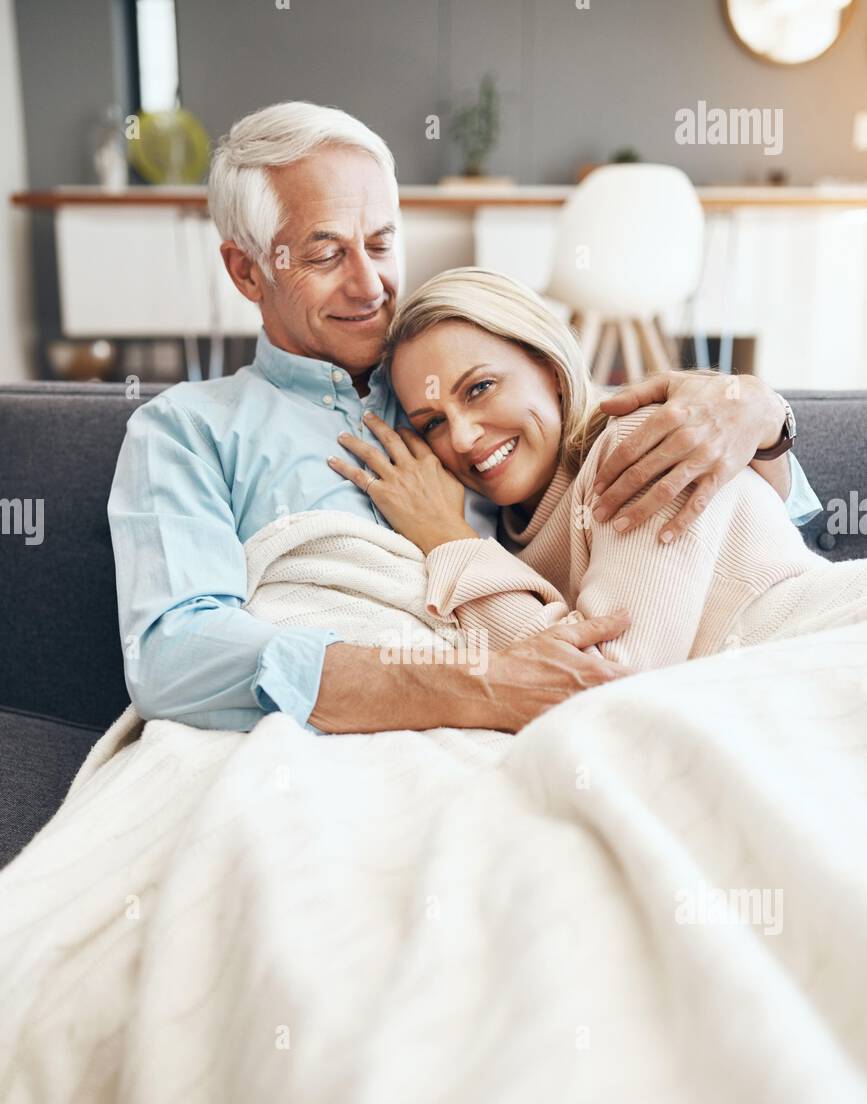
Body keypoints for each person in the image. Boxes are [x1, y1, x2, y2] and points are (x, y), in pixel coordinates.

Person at [108, 102, 818, 736]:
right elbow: (173, 654)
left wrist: (757, 412)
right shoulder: (185, 429)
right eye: (325, 254)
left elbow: (739, 524)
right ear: (245, 271)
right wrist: (471, 687)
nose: (369, 285)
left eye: (382, 244)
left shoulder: (479, 384)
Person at [327, 267, 857, 670]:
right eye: (433, 423)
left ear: (551, 369)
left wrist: (445, 536)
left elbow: (605, 672)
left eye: (481, 387)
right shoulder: (508, 532)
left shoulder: (634, 444)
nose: (463, 438)